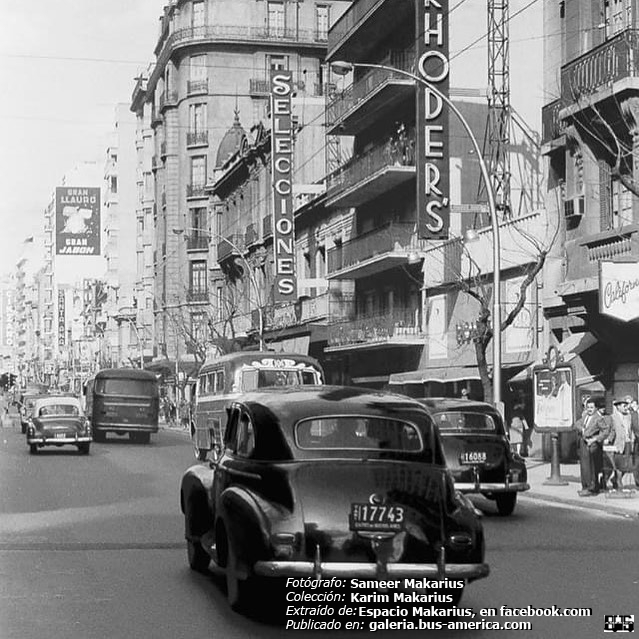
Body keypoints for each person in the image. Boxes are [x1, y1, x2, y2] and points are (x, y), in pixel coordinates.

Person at [573, 398, 607, 496]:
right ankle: (585, 486)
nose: (589, 409)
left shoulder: (598, 418)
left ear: (596, 408)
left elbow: (605, 431)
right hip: (583, 442)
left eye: (592, 407)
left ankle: (591, 488)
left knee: (591, 467)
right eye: (588, 407)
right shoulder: (585, 416)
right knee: (584, 467)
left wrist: (595, 439)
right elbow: (577, 424)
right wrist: (583, 430)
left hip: (592, 445)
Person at [605, 396, 639, 489]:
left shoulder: (629, 417)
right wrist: (608, 440)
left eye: (627, 405)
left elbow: (632, 428)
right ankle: (618, 482)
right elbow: (611, 430)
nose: (626, 407)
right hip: (618, 443)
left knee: (626, 464)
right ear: (618, 407)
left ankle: (615, 479)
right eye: (624, 405)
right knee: (618, 464)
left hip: (628, 443)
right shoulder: (613, 417)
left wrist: (632, 439)